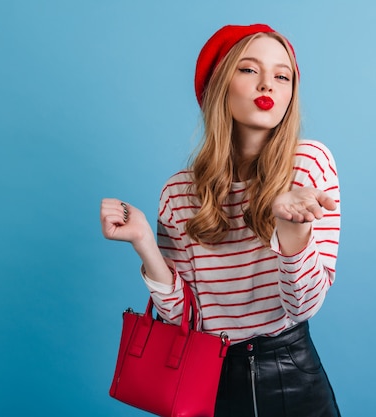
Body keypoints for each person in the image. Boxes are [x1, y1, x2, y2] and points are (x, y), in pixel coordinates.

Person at [100, 23, 341, 417]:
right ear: (217, 86)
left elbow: (304, 307)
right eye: (249, 70)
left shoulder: (309, 164)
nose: (268, 85)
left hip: (292, 378)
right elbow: (183, 319)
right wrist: (145, 243)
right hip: (208, 385)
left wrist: (293, 227)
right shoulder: (178, 193)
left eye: (282, 76)